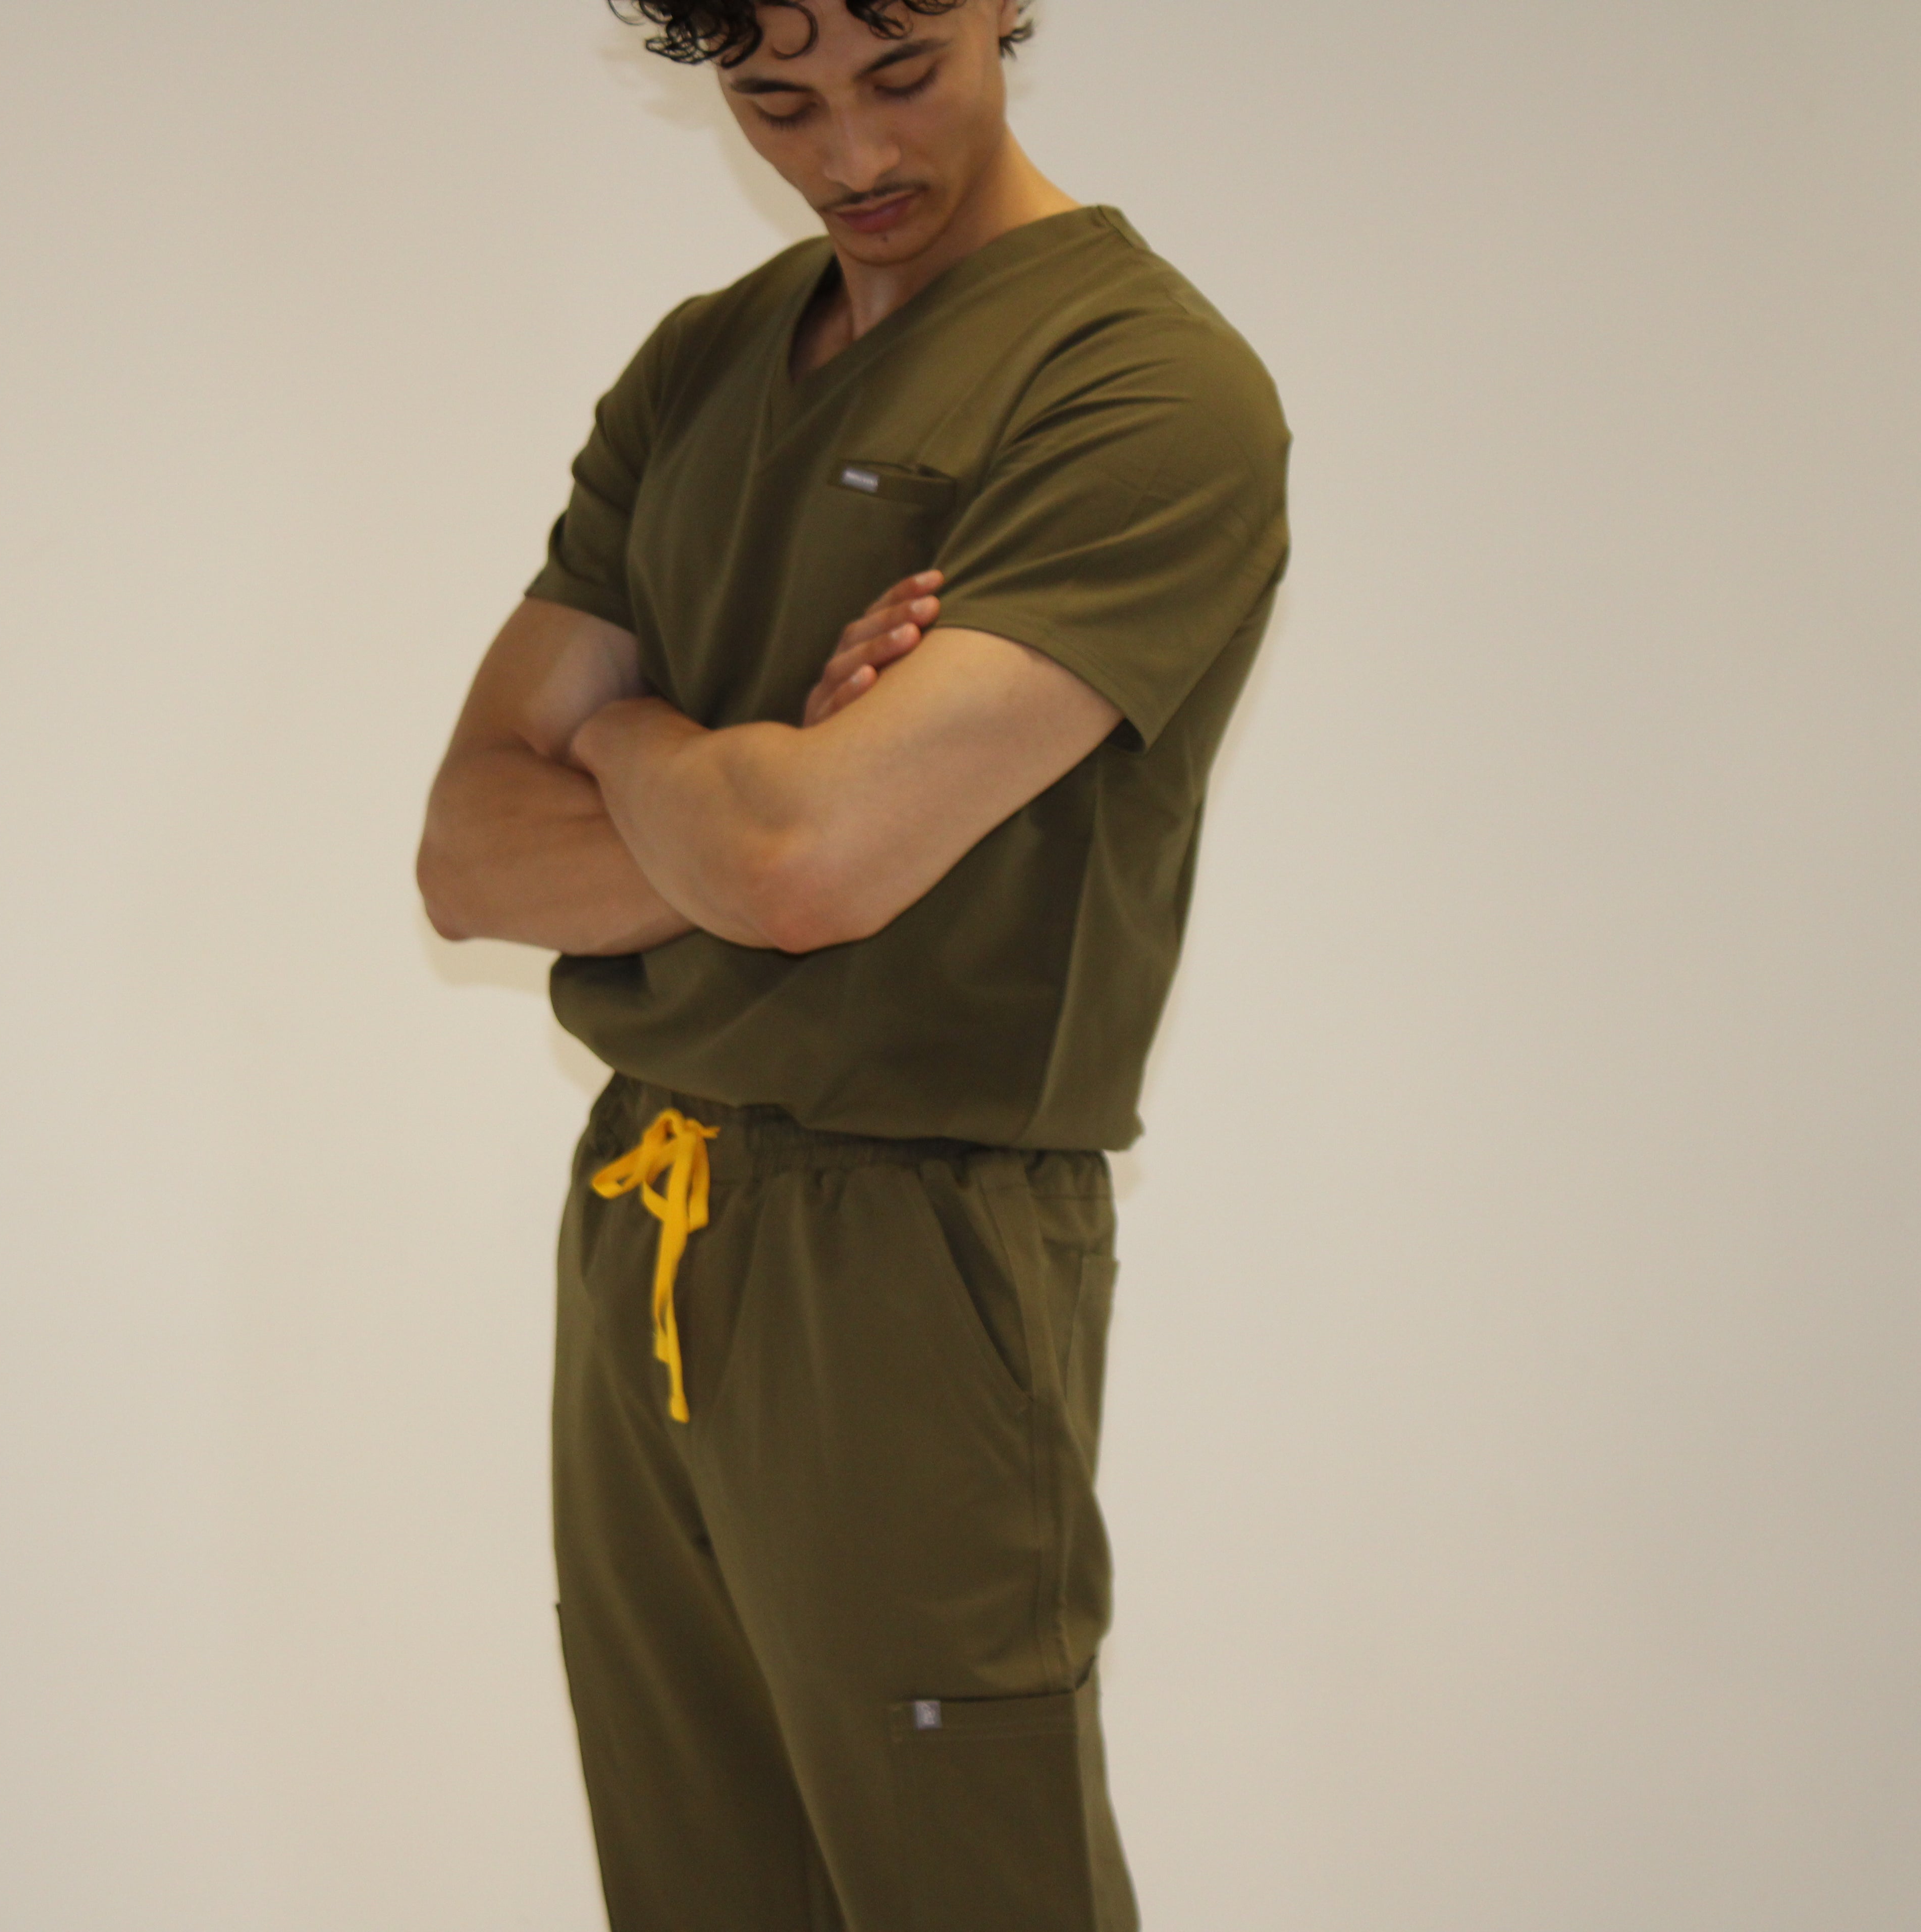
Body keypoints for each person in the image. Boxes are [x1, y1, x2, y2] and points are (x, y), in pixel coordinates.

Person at [416, 2, 1287, 1923]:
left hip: (918, 1242)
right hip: (648, 1207)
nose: (853, 157)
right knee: (695, 1878)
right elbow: (467, 855)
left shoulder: (1138, 387)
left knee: (971, 1883)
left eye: (904, 76)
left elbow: (807, 868)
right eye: (779, 100)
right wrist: (739, 772)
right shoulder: (703, 366)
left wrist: (635, 740)